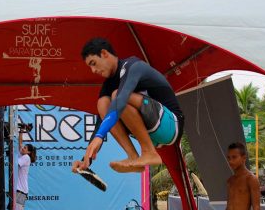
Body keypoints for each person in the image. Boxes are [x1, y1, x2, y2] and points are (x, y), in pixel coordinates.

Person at [73, 37, 184, 174]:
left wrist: (100, 136)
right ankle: (133, 156)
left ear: (104, 53)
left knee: (117, 97)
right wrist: (86, 160)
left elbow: (121, 99)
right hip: (153, 135)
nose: (93, 70)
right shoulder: (108, 84)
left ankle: (149, 152)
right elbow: (102, 120)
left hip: (172, 125)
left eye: (93, 63)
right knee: (103, 104)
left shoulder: (133, 65)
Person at [16, 130, 37, 210]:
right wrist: (21, 132)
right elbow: (20, 144)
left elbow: (15, 162)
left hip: (21, 190)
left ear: (28, 152)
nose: (22, 148)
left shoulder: (25, 157)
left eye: (25, 148)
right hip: (20, 190)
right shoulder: (24, 155)